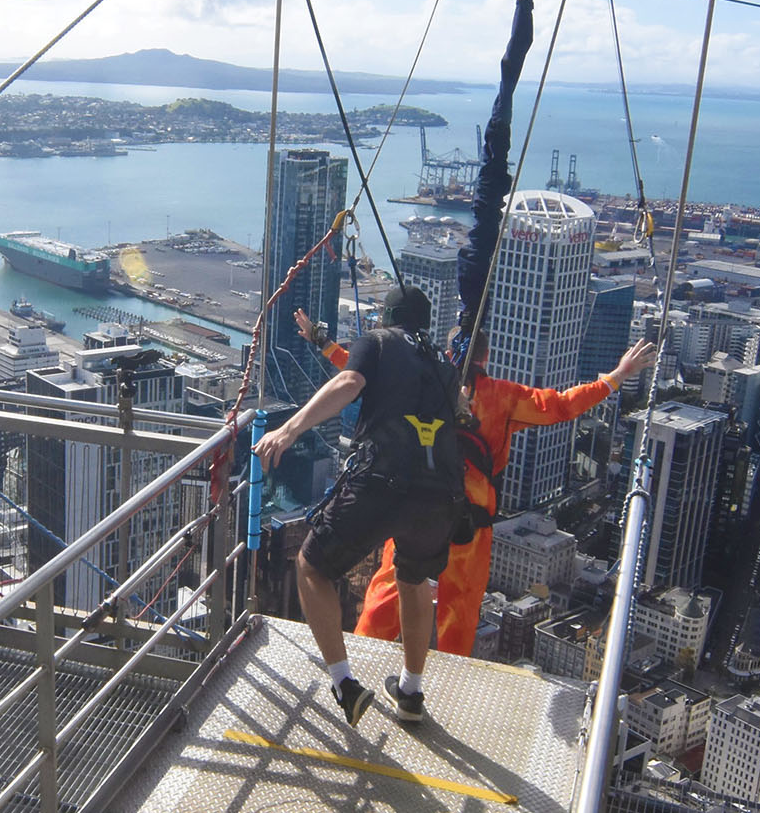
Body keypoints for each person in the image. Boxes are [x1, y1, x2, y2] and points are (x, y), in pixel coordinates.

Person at [300, 309, 656, 659]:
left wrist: (324, 342)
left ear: (452, 352)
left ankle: (355, 669)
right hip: (468, 522)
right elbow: (561, 406)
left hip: (416, 505)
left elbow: (364, 372)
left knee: (388, 597)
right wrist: (617, 376)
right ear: (486, 356)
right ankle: (438, 690)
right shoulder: (503, 396)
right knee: (459, 613)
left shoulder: (429, 379)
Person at [253, 286, 465, 728]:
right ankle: (410, 690)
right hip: (439, 496)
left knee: (312, 567)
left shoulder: (379, 342)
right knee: (414, 580)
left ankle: (344, 683)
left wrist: (289, 430)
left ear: (386, 316)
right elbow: (462, 412)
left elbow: (350, 381)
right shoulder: (444, 365)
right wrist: (322, 341)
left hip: (383, 483)